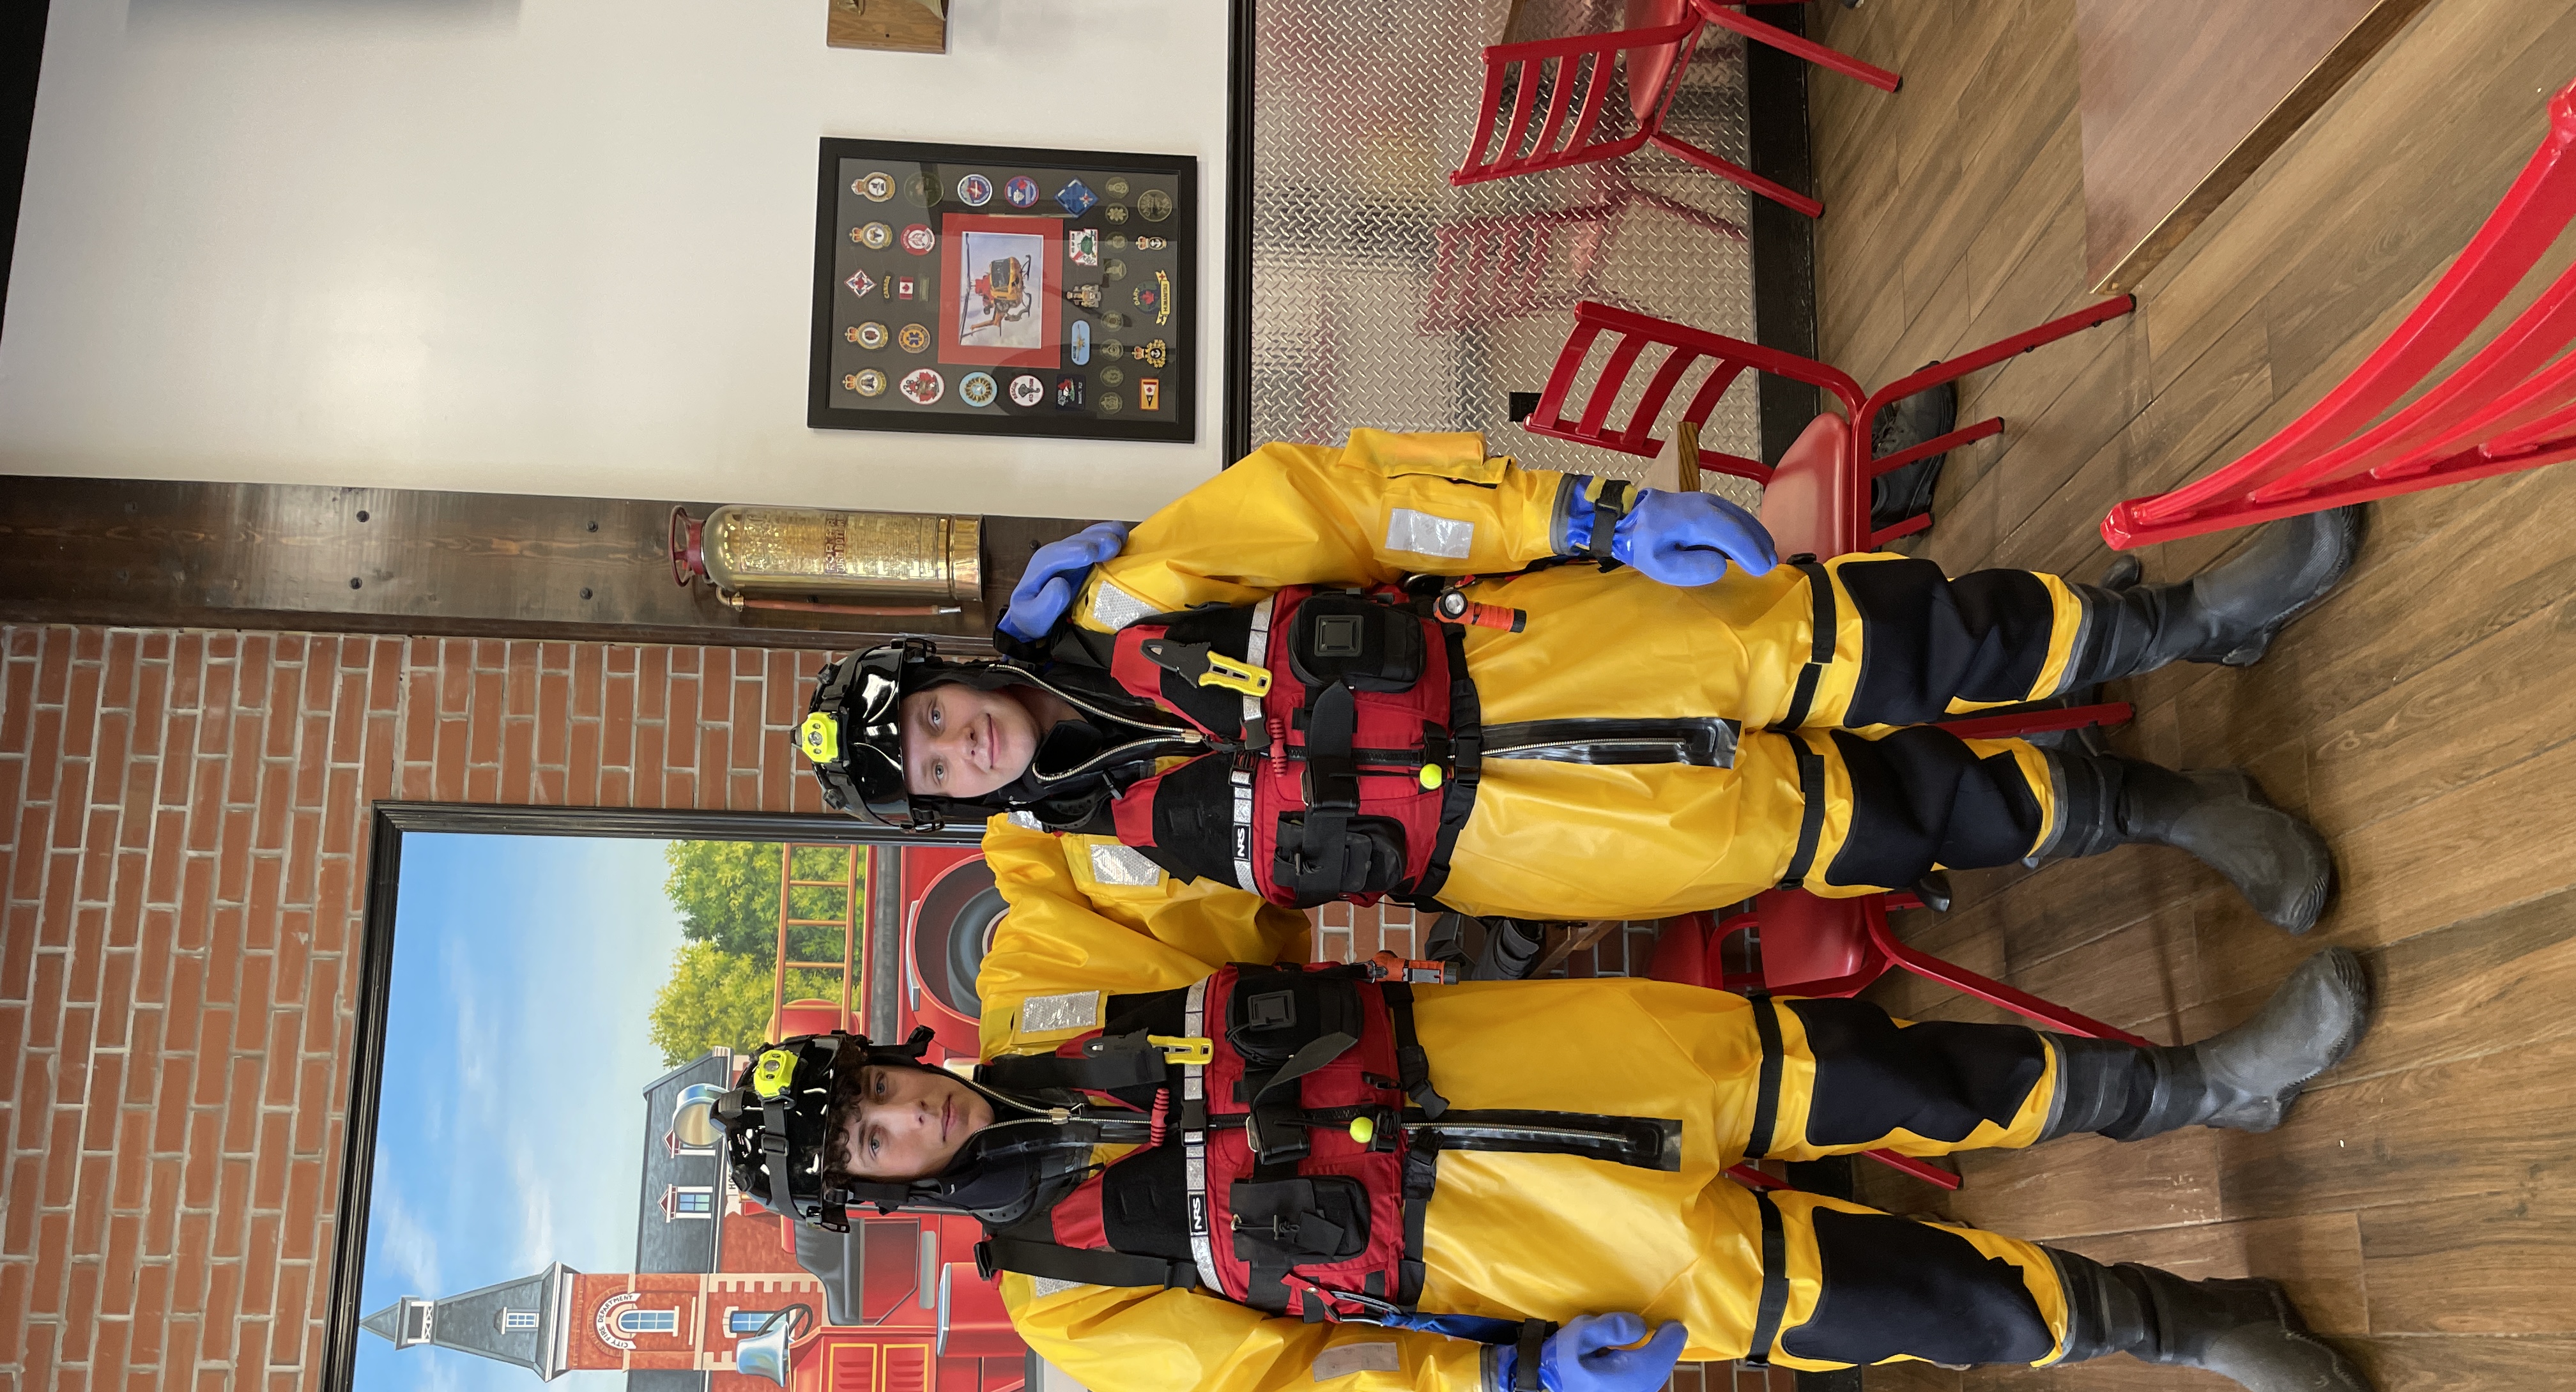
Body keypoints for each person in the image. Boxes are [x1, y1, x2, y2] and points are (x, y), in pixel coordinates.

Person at [715, 820, 2382, 1392]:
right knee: (1928, 1305)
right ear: (874, 1194)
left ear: (888, 1050)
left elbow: (1118, 824)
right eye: (867, 1143)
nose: (899, 1117)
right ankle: (2213, 1329)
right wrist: (1501, 1388)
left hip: (1583, 1055)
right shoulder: (1066, 1297)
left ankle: (2205, 1086)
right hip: (1551, 1256)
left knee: (1917, 1077)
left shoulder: (1040, 974)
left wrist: (1047, 686)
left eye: (870, 1084)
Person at [791, 431, 2359, 947]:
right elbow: (1190, 988)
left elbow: (1358, 499)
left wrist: (1591, 518)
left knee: (1892, 638)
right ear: (952, 807)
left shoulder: (1135, 591)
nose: (957, 742)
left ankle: (2175, 626)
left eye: (933, 711)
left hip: (1541, 646)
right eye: (934, 768)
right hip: (1539, 842)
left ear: (956, 668)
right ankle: (2168, 810)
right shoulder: (1097, 864)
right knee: (1876, 821)